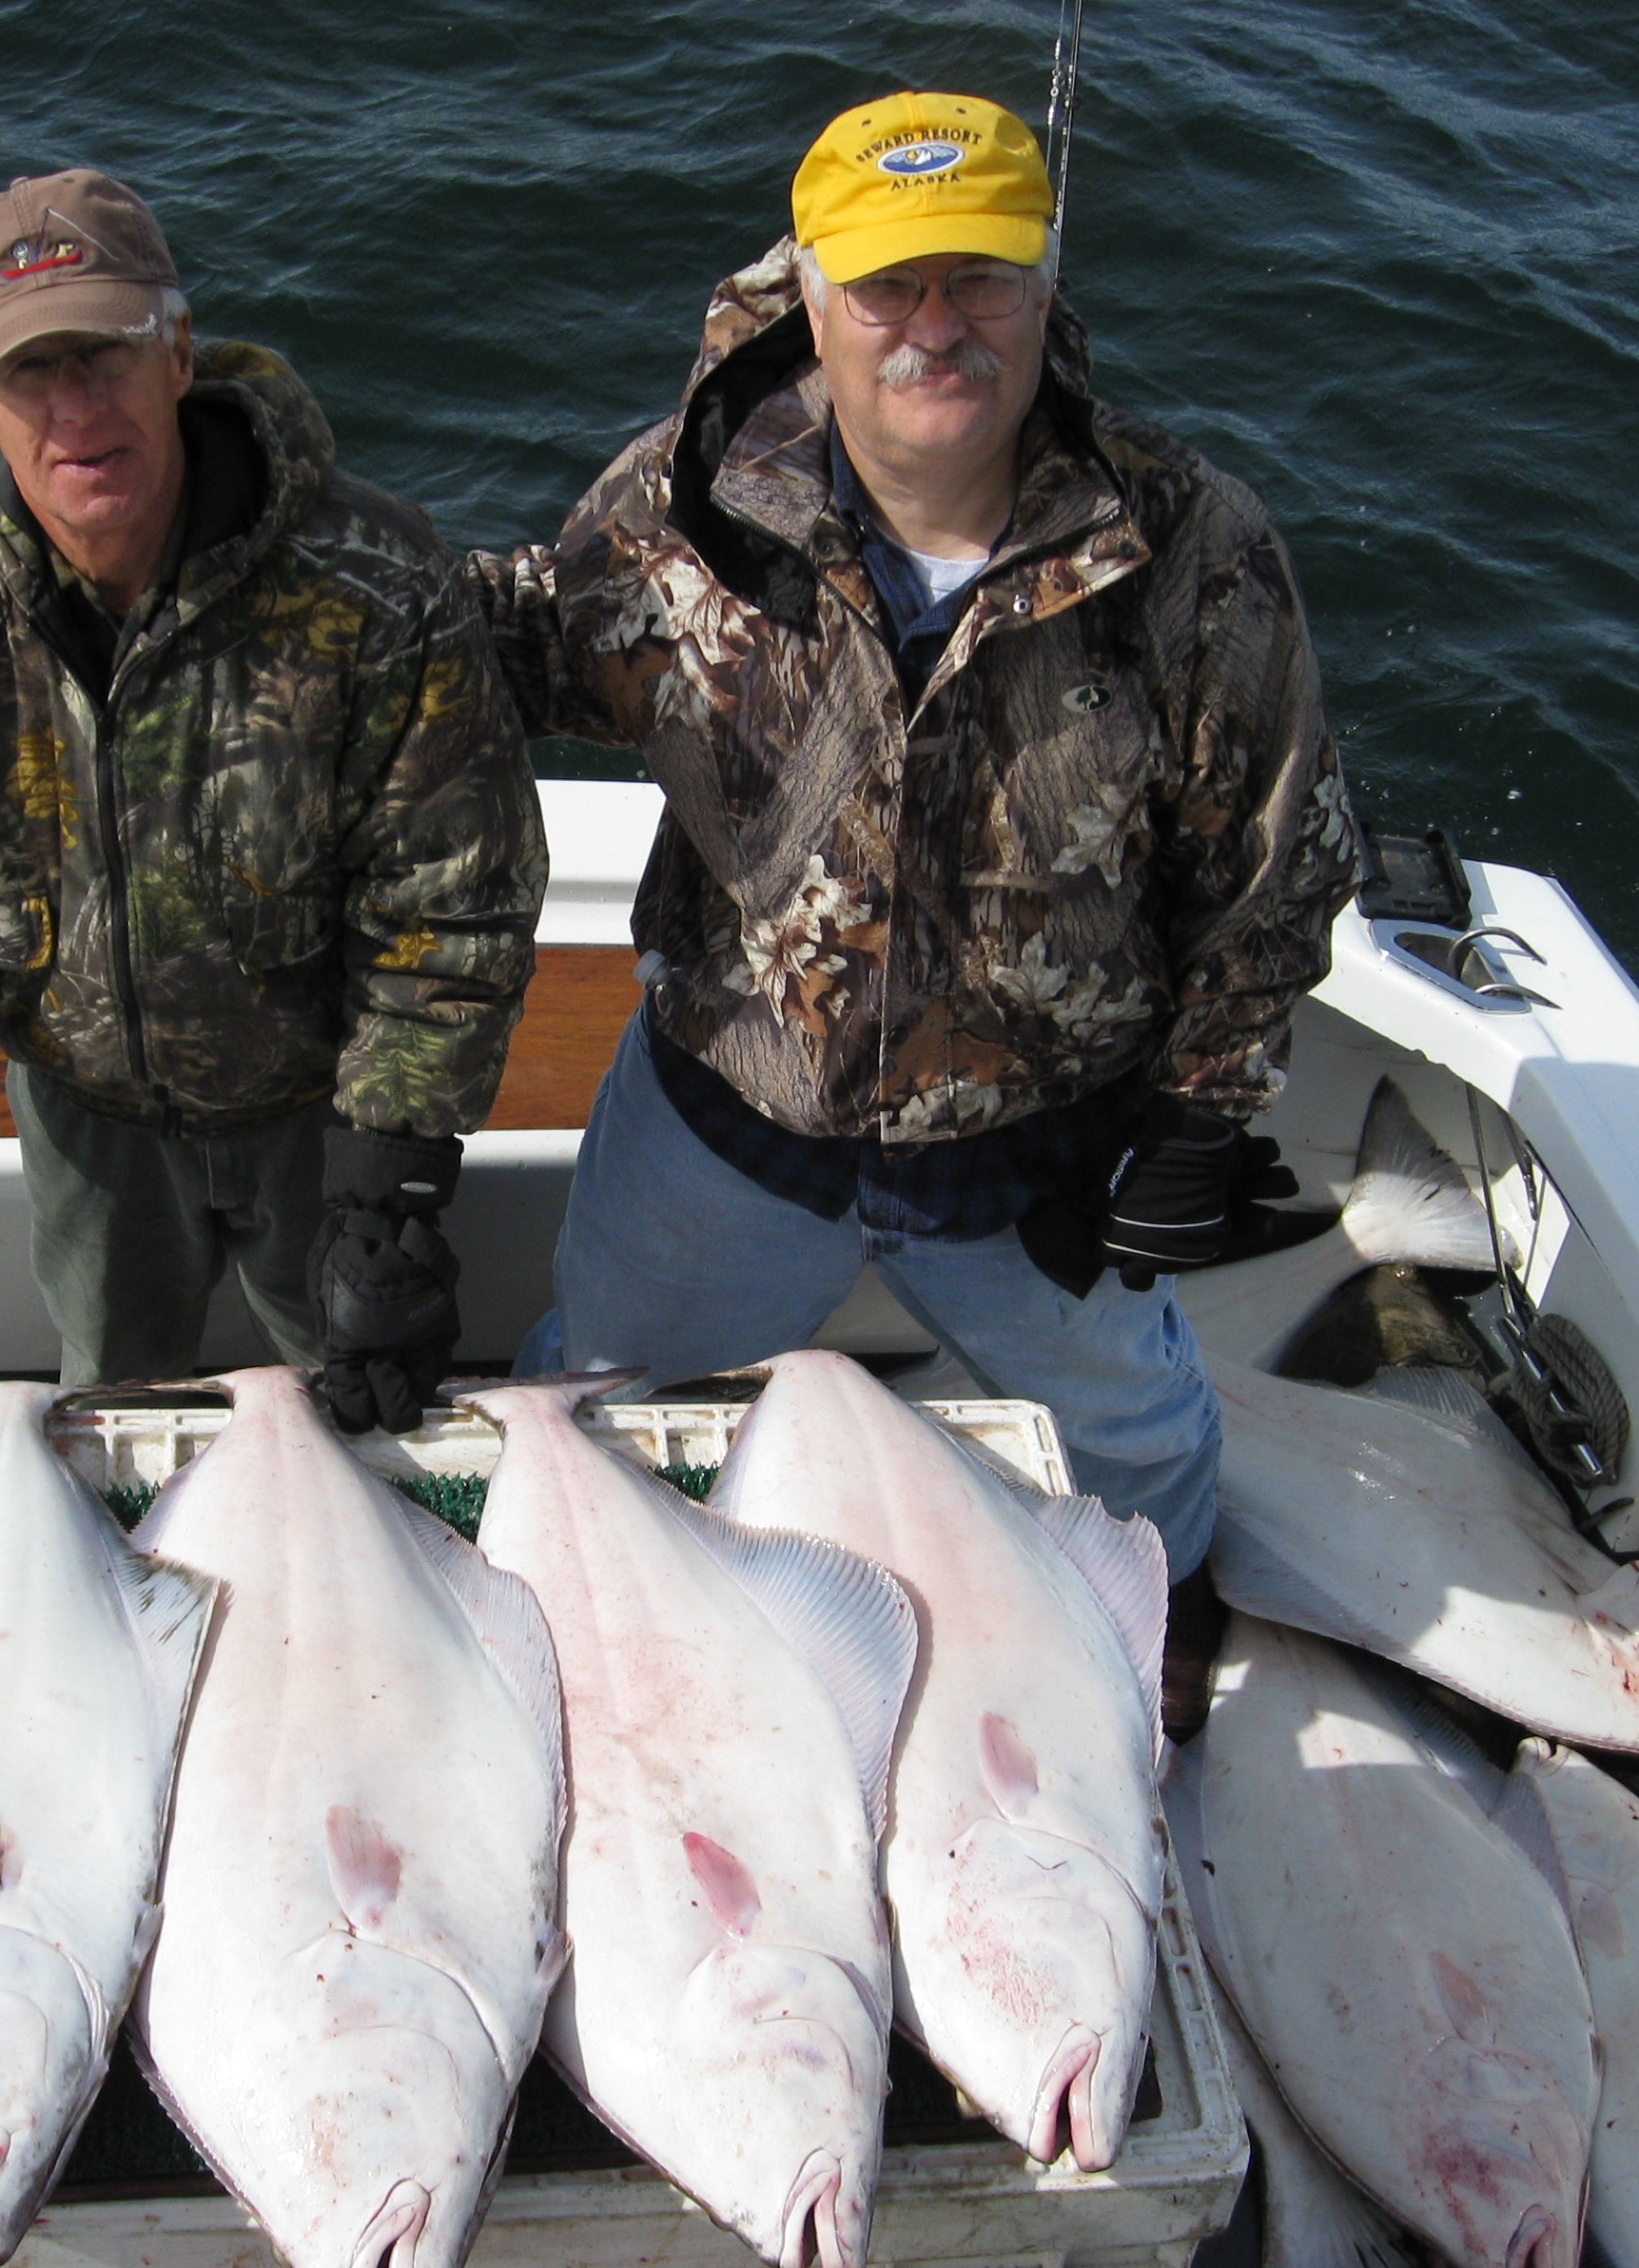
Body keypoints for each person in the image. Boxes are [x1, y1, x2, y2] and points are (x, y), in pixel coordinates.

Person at [471, 94, 1358, 1725]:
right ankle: (557, 1673)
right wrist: (292, 592)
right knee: (590, 1406)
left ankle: (1146, 1660)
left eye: (979, 279)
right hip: (729, 1121)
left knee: (1141, 1444)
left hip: (1045, 1156)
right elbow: (505, 644)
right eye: (889, 286)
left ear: (1042, 282)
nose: (934, 326)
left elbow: (1274, 870)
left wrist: (1195, 1123)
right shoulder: (683, 515)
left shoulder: (1194, 555)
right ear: (809, 296)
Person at [0, 169, 543, 1491]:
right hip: (89, 1126)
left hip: (315, 1110)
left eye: (103, 353)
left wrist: (387, 1192)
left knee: (366, 1440)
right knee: (112, 1422)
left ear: (176, 350)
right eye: (29, 372)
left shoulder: (381, 584)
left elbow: (448, 904)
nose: (75, 409)